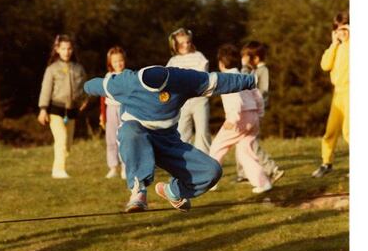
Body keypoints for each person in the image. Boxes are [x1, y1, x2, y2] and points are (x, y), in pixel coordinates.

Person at [84, 65, 256, 212]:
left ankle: (173, 192)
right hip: (138, 139)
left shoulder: (181, 79)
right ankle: (138, 191)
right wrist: (83, 87)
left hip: (168, 142)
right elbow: (96, 85)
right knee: (130, 129)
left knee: (212, 171)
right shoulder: (126, 82)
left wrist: (252, 80)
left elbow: (218, 81)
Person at [209, 44, 272, 193]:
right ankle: (263, 183)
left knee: (217, 148)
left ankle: (209, 181)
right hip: (253, 116)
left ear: (221, 64)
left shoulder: (226, 79)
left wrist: (232, 119)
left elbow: (235, 100)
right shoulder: (245, 76)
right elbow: (258, 97)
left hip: (238, 118)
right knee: (245, 153)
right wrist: (260, 114)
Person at [38, 34, 87, 179]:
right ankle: (58, 170)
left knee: (68, 144)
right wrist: (43, 109)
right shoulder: (52, 69)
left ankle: (60, 167)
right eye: (63, 48)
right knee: (61, 138)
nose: (66, 51)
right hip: (55, 109)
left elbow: (85, 87)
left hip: (72, 110)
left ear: (72, 50)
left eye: (69, 49)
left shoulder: (78, 68)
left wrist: (85, 99)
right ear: (58, 49)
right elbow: (46, 89)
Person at [235, 40, 284, 184]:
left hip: (254, 112)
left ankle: (272, 169)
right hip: (248, 111)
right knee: (241, 141)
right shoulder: (255, 70)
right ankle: (243, 173)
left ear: (255, 58)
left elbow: (261, 90)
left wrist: (244, 67)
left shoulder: (263, 71)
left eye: (246, 58)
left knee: (249, 143)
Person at [312, 11, 349, 178]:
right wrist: (333, 44)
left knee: (349, 131)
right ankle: (326, 163)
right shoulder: (337, 47)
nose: (341, 33)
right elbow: (325, 65)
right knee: (330, 131)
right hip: (338, 93)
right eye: (337, 30)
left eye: (344, 29)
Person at [166, 28, 211, 154]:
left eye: (188, 42)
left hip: (199, 100)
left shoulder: (198, 56)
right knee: (182, 131)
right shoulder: (173, 61)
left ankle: (204, 159)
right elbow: (169, 79)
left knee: (202, 131)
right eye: (182, 43)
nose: (185, 45)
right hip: (182, 102)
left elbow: (203, 76)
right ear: (175, 45)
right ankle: (184, 159)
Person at [100, 46, 127, 179]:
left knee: (123, 139)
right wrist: (102, 115)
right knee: (111, 139)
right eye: (115, 61)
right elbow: (103, 97)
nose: (118, 64)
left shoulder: (127, 75)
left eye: (120, 60)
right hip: (110, 110)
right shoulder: (108, 76)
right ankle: (113, 167)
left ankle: (125, 167)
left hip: (124, 109)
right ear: (110, 63)